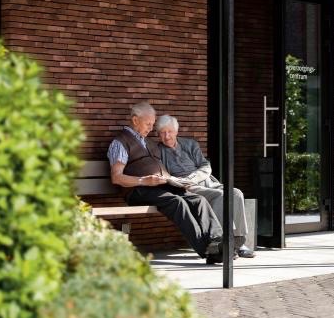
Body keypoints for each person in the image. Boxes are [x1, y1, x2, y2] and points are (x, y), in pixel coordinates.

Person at [107, 102, 224, 264]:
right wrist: (143, 181)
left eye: (152, 124)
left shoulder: (149, 143)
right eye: (148, 124)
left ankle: (218, 241)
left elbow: (162, 170)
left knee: (198, 199)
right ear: (135, 120)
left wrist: (174, 181)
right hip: (138, 190)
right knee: (177, 203)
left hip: (160, 186)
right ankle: (208, 251)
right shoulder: (120, 143)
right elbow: (117, 177)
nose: (150, 128)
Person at [156, 114, 256, 258]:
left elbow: (205, 166)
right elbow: (164, 175)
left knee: (236, 193)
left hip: (207, 181)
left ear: (176, 131)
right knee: (220, 196)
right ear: (158, 134)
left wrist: (194, 177)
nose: (166, 136)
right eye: (162, 133)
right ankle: (221, 242)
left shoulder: (190, 144)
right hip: (187, 187)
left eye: (169, 132)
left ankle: (238, 242)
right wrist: (181, 181)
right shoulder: (157, 151)